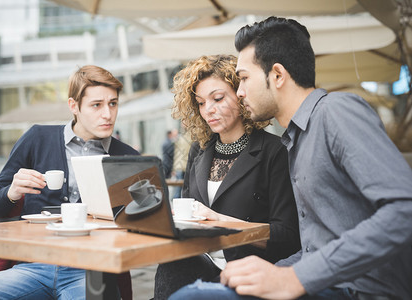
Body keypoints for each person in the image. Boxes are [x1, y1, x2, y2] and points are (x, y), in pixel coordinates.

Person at [169, 17, 412, 300]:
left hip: (361, 290)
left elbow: (404, 209)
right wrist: (273, 271)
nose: (241, 91)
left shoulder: (334, 112)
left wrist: (293, 276)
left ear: (278, 75)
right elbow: (313, 249)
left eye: (245, 78)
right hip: (324, 283)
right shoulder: (296, 140)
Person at [0, 65, 139, 299]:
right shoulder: (37, 138)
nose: (107, 114)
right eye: (96, 105)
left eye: (113, 103)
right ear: (73, 106)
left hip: (91, 271)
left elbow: (144, 224)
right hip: (33, 266)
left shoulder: (128, 158)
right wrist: (12, 191)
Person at [154, 54, 301, 299]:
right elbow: (187, 215)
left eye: (218, 98)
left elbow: (288, 236)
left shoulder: (276, 152)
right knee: (173, 263)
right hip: (202, 263)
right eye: (200, 103)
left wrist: (220, 221)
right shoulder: (198, 151)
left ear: (241, 94)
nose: (208, 110)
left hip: (250, 270)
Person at [171, 126, 191, 198]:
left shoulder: (187, 137)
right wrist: (174, 168)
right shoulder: (181, 138)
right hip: (181, 167)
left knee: (180, 191)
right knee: (179, 191)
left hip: (185, 166)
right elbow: (176, 154)